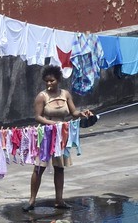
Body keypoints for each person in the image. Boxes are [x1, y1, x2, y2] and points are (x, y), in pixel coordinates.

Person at [27, 64, 92, 210]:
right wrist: (51, 124)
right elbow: (38, 117)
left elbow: (73, 112)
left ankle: (59, 200)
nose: (49, 84)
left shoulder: (65, 94)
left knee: (59, 168)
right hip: (46, 134)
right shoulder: (41, 96)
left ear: (58, 80)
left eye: (52, 81)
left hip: (62, 135)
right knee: (39, 167)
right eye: (47, 81)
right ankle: (31, 200)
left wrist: (82, 114)